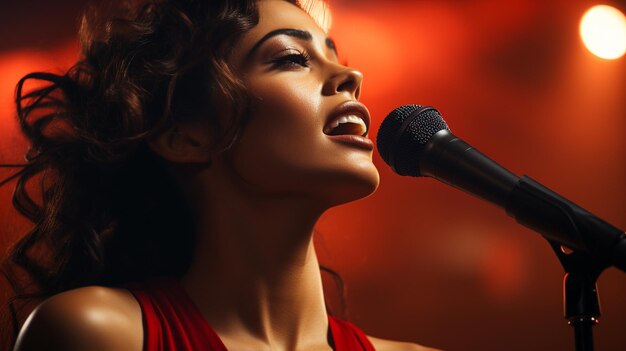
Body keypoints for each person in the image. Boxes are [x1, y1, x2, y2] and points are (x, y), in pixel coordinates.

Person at [3, 0, 440, 350]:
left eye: (333, 54)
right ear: (184, 136)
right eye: (291, 58)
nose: (352, 76)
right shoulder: (98, 333)